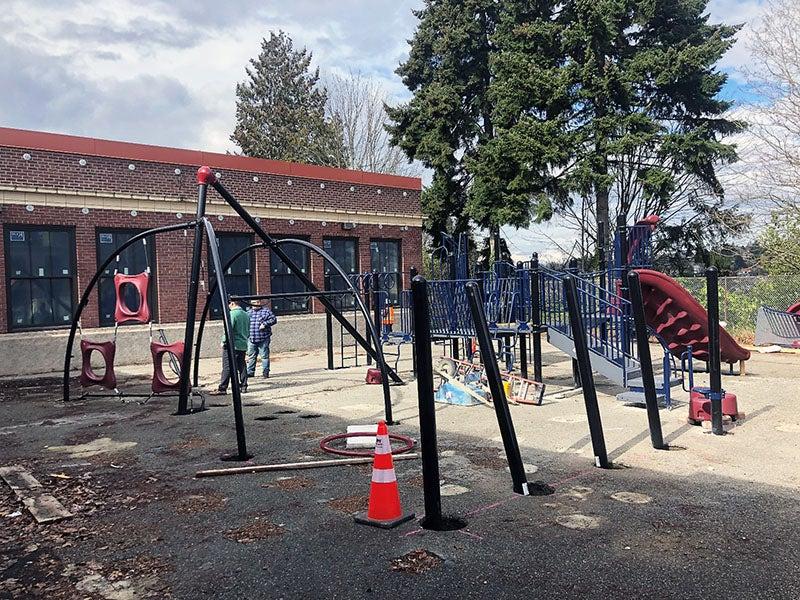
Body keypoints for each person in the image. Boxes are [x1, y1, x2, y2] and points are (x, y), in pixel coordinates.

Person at [210, 300, 250, 395]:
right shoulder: (246, 314)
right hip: (243, 344)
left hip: (232, 345)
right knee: (242, 366)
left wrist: (224, 341)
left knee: (227, 366)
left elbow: (229, 329)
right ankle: (244, 386)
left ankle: (222, 388)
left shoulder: (232, 314)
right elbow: (248, 329)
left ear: (232, 303)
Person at [247, 298, 277, 378]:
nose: (255, 304)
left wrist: (265, 324)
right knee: (251, 356)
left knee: (264, 356)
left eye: (256, 302)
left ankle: (265, 372)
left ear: (260, 302)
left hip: (263, 338)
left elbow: (274, 319)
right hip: (251, 338)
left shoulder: (266, 311)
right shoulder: (248, 313)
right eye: (253, 302)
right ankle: (250, 372)